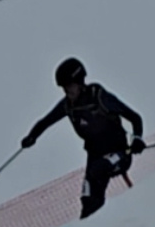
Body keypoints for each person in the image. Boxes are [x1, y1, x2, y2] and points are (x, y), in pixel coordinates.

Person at [21, 58, 145, 218]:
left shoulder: (99, 97)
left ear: (79, 83)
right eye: (64, 88)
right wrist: (32, 137)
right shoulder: (68, 105)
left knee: (99, 169)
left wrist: (137, 139)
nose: (67, 92)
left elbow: (135, 117)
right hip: (95, 156)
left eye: (69, 86)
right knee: (88, 199)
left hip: (119, 153)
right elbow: (45, 122)